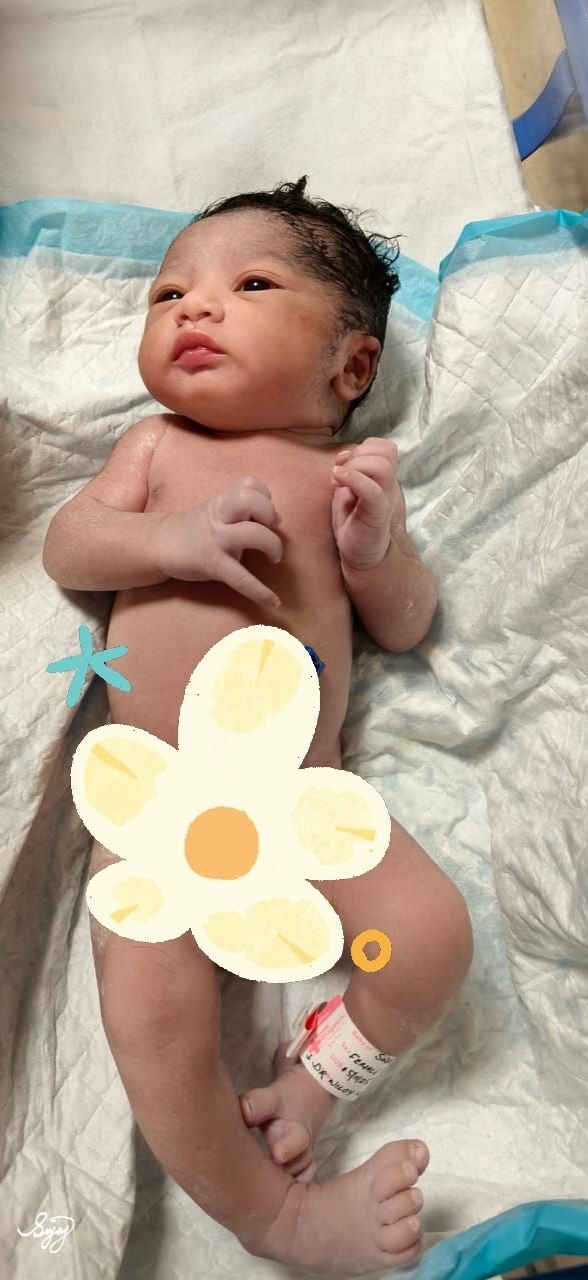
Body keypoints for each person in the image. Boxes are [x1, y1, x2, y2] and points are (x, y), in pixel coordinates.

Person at [42, 176, 473, 1275]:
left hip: (299, 804)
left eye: (251, 285)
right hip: (157, 812)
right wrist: (169, 539)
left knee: (427, 937)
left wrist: (377, 552)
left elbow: (407, 624)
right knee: (151, 1017)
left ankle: (313, 1082)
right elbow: (70, 546)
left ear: (352, 367)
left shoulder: (343, 480)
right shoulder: (156, 447)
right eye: (168, 292)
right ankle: (270, 1215)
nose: (192, 305)